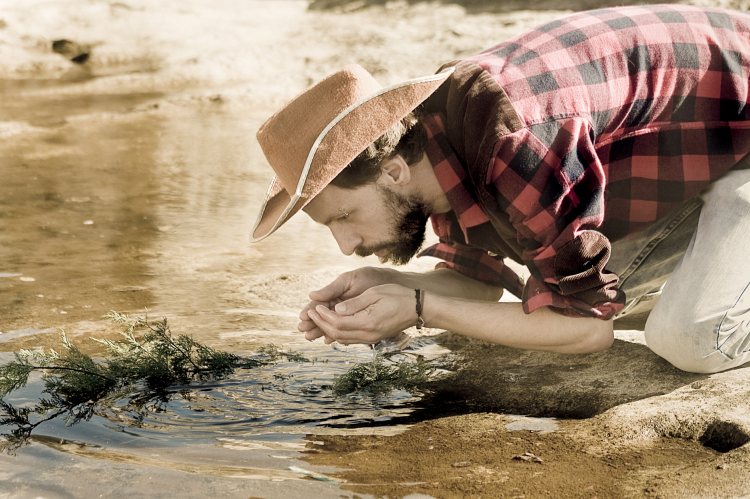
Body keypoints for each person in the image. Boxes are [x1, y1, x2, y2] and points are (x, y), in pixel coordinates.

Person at [251, 4, 750, 374]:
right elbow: (480, 281)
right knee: (583, 295)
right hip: (714, 154)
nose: (346, 244)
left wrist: (420, 309)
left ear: (393, 172)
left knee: (690, 338)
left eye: (343, 216)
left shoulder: (512, 138)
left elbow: (586, 330)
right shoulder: (435, 139)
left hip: (742, 151)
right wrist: (387, 287)